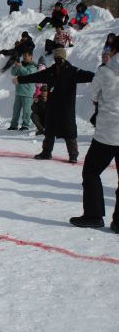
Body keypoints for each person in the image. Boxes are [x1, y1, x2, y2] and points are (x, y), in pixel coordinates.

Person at [70, 36, 119, 230]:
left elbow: (93, 95)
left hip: (108, 131)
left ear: (114, 50)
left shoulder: (105, 71)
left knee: (91, 171)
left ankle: (94, 215)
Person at [14, 47, 94, 163]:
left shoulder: (72, 71)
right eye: (56, 58)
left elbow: (89, 75)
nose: (57, 60)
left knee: (69, 131)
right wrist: (20, 80)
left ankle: (73, 154)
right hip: (52, 106)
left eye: (59, 58)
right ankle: (46, 152)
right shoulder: (50, 71)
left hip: (66, 107)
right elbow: (35, 77)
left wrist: (103, 75)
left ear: (64, 58)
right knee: (49, 131)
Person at [7, 50, 37, 131]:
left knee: (26, 111)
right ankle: (13, 125)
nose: (24, 57)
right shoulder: (21, 64)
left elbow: (28, 73)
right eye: (23, 56)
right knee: (16, 110)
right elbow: (13, 72)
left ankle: (25, 125)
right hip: (18, 91)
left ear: (31, 56)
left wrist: (20, 67)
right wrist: (16, 66)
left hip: (28, 92)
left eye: (26, 56)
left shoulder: (33, 66)